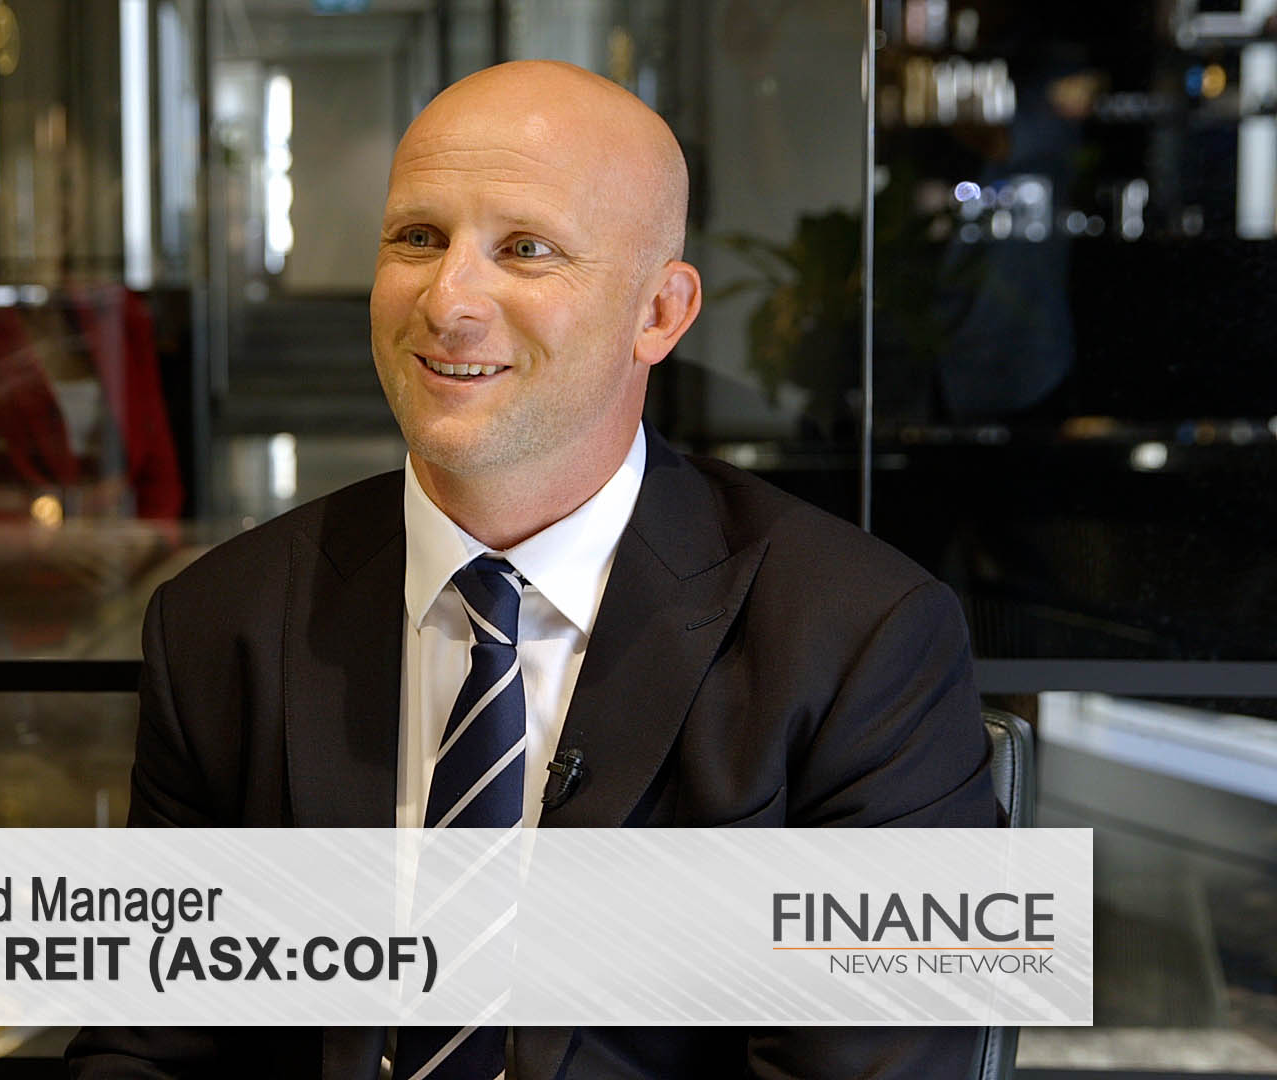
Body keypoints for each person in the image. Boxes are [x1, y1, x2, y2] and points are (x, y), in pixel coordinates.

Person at [68, 60, 995, 1078]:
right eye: (419, 238)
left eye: (526, 249)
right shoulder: (221, 621)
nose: (448, 300)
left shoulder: (863, 639)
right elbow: (148, 1043)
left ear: (660, 313)